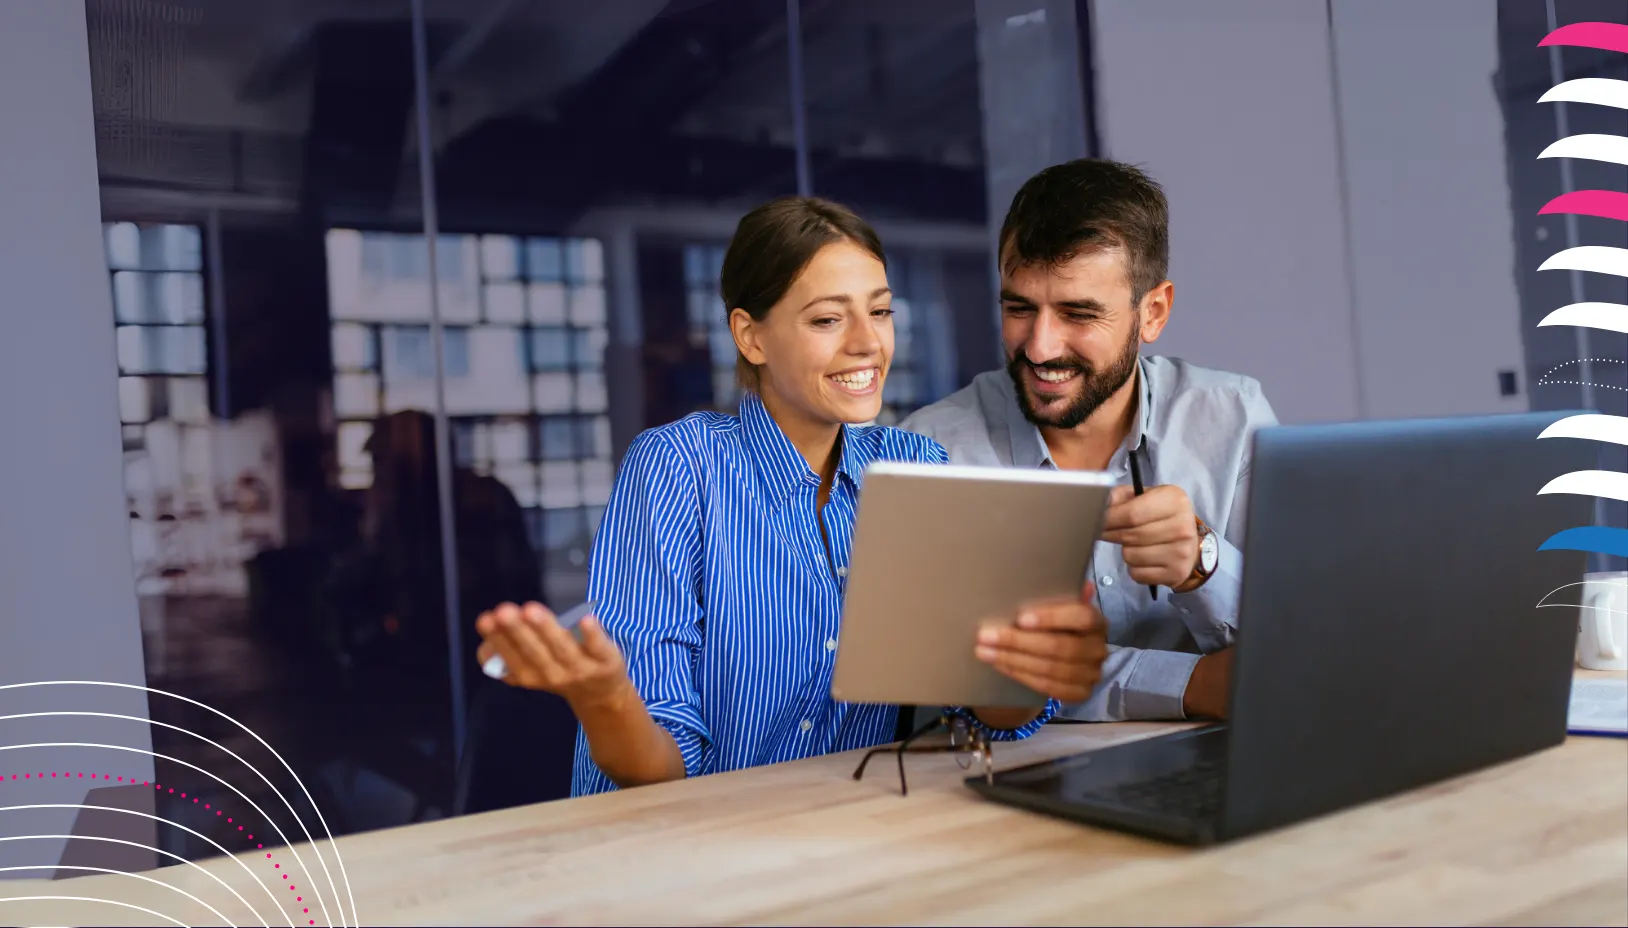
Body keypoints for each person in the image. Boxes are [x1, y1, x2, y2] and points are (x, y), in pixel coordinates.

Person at [476, 197, 1111, 795]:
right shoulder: (679, 467)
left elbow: (988, 712)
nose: (867, 341)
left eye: (882, 310)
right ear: (751, 337)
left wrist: (1022, 663)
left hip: (839, 835)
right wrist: (605, 696)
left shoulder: (915, 464)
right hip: (678, 855)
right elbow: (659, 775)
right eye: (829, 319)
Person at [902, 159, 1278, 723]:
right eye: (1018, 308)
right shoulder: (932, 449)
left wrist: (1204, 564)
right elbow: (960, 685)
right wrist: (1188, 683)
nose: (1040, 347)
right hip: (1012, 781)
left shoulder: (1232, 416)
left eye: (1079, 313)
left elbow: (1298, 644)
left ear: (1152, 313)